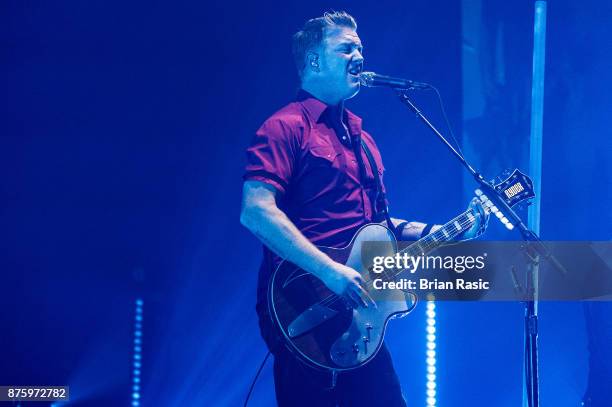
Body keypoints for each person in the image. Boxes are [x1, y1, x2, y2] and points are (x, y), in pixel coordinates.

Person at [240, 11, 487, 406]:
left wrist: (455, 228)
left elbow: (383, 226)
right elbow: (255, 211)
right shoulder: (284, 127)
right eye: (346, 48)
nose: (359, 55)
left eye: (361, 48)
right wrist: (329, 271)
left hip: (360, 312)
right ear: (315, 60)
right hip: (303, 303)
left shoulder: (363, 140)